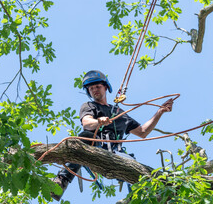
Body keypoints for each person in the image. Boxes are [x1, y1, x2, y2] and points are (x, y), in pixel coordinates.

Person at [51, 70, 173, 201]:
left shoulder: (119, 113)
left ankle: (137, 199)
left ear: (106, 87)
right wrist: (98, 121)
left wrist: (160, 112)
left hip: (116, 153)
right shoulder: (89, 106)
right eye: (91, 88)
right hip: (94, 147)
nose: (94, 90)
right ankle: (62, 180)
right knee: (86, 135)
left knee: (135, 166)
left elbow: (142, 132)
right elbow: (86, 123)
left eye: (97, 86)